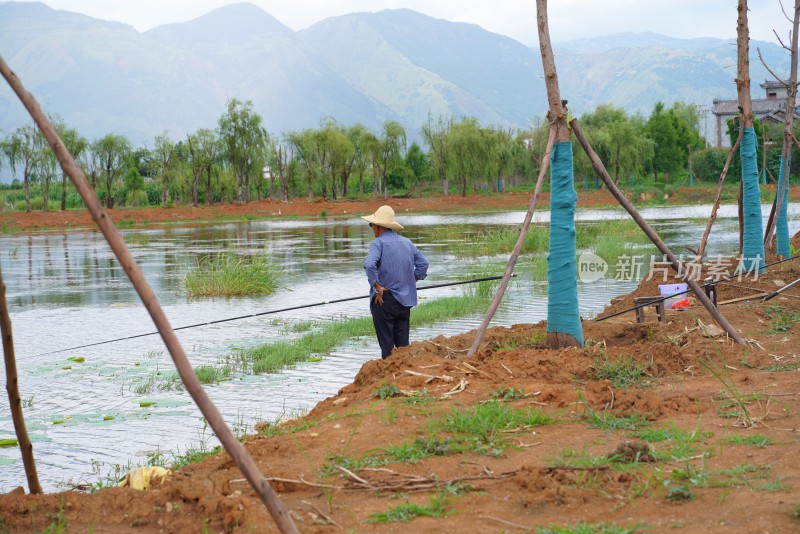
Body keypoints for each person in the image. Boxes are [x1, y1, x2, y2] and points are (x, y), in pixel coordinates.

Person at [362, 205, 429, 359]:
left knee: (387, 348)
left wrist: (378, 288)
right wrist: (411, 282)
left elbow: (369, 265)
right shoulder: (407, 243)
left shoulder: (378, 244)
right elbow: (423, 264)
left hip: (384, 300)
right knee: (403, 347)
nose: (372, 228)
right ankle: (403, 375)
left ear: (378, 226)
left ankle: (388, 377)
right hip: (404, 301)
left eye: (372, 225)